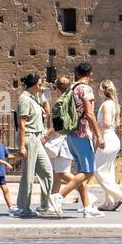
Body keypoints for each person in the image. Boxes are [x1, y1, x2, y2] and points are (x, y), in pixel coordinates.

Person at [58, 62, 104, 217]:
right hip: (83, 133)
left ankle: (87, 207)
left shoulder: (72, 88)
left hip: (71, 134)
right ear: (90, 75)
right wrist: (99, 135)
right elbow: (90, 114)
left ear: (76, 73)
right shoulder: (86, 89)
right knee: (88, 171)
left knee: (80, 173)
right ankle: (59, 197)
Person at [15, 73, 60, 218]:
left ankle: (44, 205)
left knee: (47, 172)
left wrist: (45, 95)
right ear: (35, 85)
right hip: (28, 138)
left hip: (37, 138)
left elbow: (47, 112)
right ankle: (23, 208)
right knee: (28, 174)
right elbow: (21, 124)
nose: (41, 87)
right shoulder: (25, 99)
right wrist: (22, 146)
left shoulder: (35, 98)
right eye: (40, 85)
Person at [93, 79, 122, 211]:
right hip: (111, 138)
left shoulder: (107, 104)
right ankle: (110, 203)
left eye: (99, 88)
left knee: (96, 170)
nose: (97, 90)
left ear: (102, 90)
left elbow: (107, 123)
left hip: (108, 139)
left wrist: (93, 125)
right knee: (108, 172)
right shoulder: (112, 103)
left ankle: (119, 194)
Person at [43, 75, 75, 208]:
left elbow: (58, 126)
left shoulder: (60, 102)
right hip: (68, 140)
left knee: (62, 173)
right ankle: (52, 203)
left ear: (57, 89)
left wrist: (45, 136)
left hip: (63, 142)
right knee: (57, 174)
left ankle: (86, 193)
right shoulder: (71, 101)